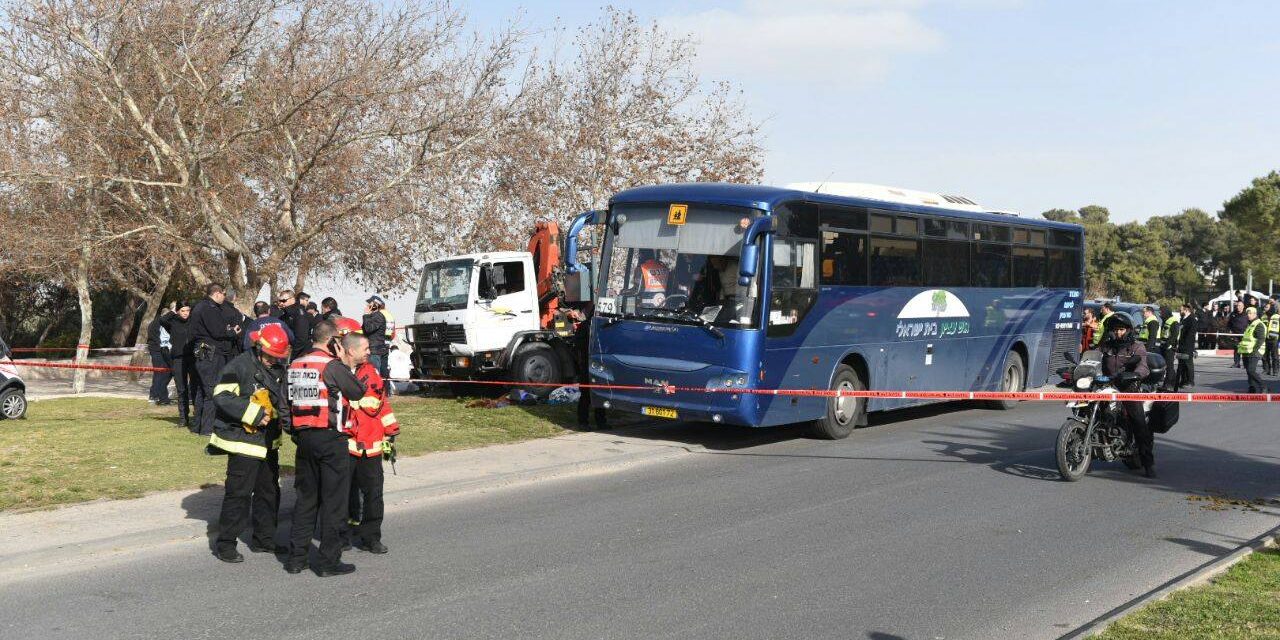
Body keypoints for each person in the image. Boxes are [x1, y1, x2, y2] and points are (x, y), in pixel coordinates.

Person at [285, 320, 374, 577]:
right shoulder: (332, 366)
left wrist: (296, 431)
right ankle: (328, 562)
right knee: (334, 503)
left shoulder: (295, 364)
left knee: (306, 500)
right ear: (334, 342)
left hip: (304, 438)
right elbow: (357, 391)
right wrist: (346, 364)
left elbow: (284, 403)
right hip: (330, 437)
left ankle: (296, 559)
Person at [207, 323, 291, 563]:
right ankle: (226, 544)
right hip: (244, 442)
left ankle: (265, 540)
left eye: (277, 357)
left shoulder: (278, 368)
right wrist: (252, 413)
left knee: (269, 492)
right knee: (239, 494)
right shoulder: (238, 366)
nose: (272, 361)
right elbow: (221, 395)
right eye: (269, 356)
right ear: (258, 347)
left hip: (268, 442)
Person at [342, 330, 399, 554]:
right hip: (346, 445)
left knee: (374, 494)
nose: (369, 352)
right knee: (343, 494)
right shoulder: (337, 372)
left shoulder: (371, 373)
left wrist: (390, 431)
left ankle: (371, 538)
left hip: (372, 445)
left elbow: (379, 404)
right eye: (365, 349)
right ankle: (342, 536)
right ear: (351, 350)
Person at [1099, 313, 1155, 478]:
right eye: (1115, 330)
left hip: (1129, 386)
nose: (1118, 333)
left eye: (1121, 329)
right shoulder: (1105, 346)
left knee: (1138, 423)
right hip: (1107, 385)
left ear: (1128, 330)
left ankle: (1148, 463)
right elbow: (1093, 359)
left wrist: (1135, 375)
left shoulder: (1137, 347)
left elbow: (1143, 366)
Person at [191, 284, 241, 436]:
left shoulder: (202, 306)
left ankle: (197, 425)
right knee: (212, 390)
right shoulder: (208, 308)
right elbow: (218, 331)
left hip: (205, 352)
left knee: (202, 390)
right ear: (217, 293)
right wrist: (232, 332)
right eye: (224, 294)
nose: (225, 297)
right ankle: (207, 429)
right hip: (210, 353)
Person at [161, 302, 196, 427]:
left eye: (188, 310)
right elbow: (162, 320)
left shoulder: (193, 321)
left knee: (195, 388)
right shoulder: (173, 322)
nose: (186, 313)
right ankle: (183, 418)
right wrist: (173, 311)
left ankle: (197, 416)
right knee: (181, 389)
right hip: (178, 359)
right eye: (183, 310)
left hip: (193, 358)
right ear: (178, 311)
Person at [574, 305, 607, 430]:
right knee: (586, 396)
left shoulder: (598, 327)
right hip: (588, 365)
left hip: (596, 365)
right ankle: (584, 422)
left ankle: (600, 422)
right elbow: (579, 347)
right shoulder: (586, 327)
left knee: (598, 394)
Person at [145, 309, 173, 405]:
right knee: (159, 373)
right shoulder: (157, 322)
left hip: (160, 350)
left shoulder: (155, 323)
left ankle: (162, 397)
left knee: (166, 372)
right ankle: (154, 395)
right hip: (157, 350)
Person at [361, 296, 391, 381]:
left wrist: (365, 315)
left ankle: (382, 392)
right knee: (379, 374)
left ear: (375, 305)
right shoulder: (373, 316)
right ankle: (383, 392)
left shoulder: (378, 316)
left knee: (375, 374)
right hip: (375, 349)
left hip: (375, 350)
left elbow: (368, 329)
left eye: (369, 304)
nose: (367, 306)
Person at [1239, 306, 1268, 393]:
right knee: (1249, 371)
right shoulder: (1250, 324)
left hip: (1255, 351)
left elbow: (1261, 339)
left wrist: (1254, 350)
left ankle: (1263, 386)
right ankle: (1252, 387)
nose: (1247, 315)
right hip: (1247, 351)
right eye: (1247, 313)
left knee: (1251, 370)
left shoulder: (1259, 324)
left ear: (1254, 314)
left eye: (1249, 313)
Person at [1176, 302, 1198, 388]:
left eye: (1181, 310)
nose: (1179, 311)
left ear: (1186, 310)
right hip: (1181, 345)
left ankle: (1190, 381)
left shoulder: (1192, 320)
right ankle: (1183, 380)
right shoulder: (1183, 319)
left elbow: (1190, 335)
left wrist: (1187, 346)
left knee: (1188, 364)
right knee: (1181, 364)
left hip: (1187, 346)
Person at [1228, 301, 1247, 367]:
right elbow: (1229, 323)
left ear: (1243, 306)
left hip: (1244, 334)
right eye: (1237, 306)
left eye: (1239, 305)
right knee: (1236, 348)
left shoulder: (1246, 314)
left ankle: (1246, 363)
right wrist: (1230, 330)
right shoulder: (1233, 314)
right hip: (1235, 334)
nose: (1238, 307)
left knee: (1244, 349)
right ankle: (1236, 363)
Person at [1266, 305, 1280, 376]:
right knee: (1266, 355)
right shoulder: (1272, 316)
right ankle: (1267, 370)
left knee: (1274, 355)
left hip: (1275, 338)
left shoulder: (1274, 316)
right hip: (1268, 337)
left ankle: (1275, 370)